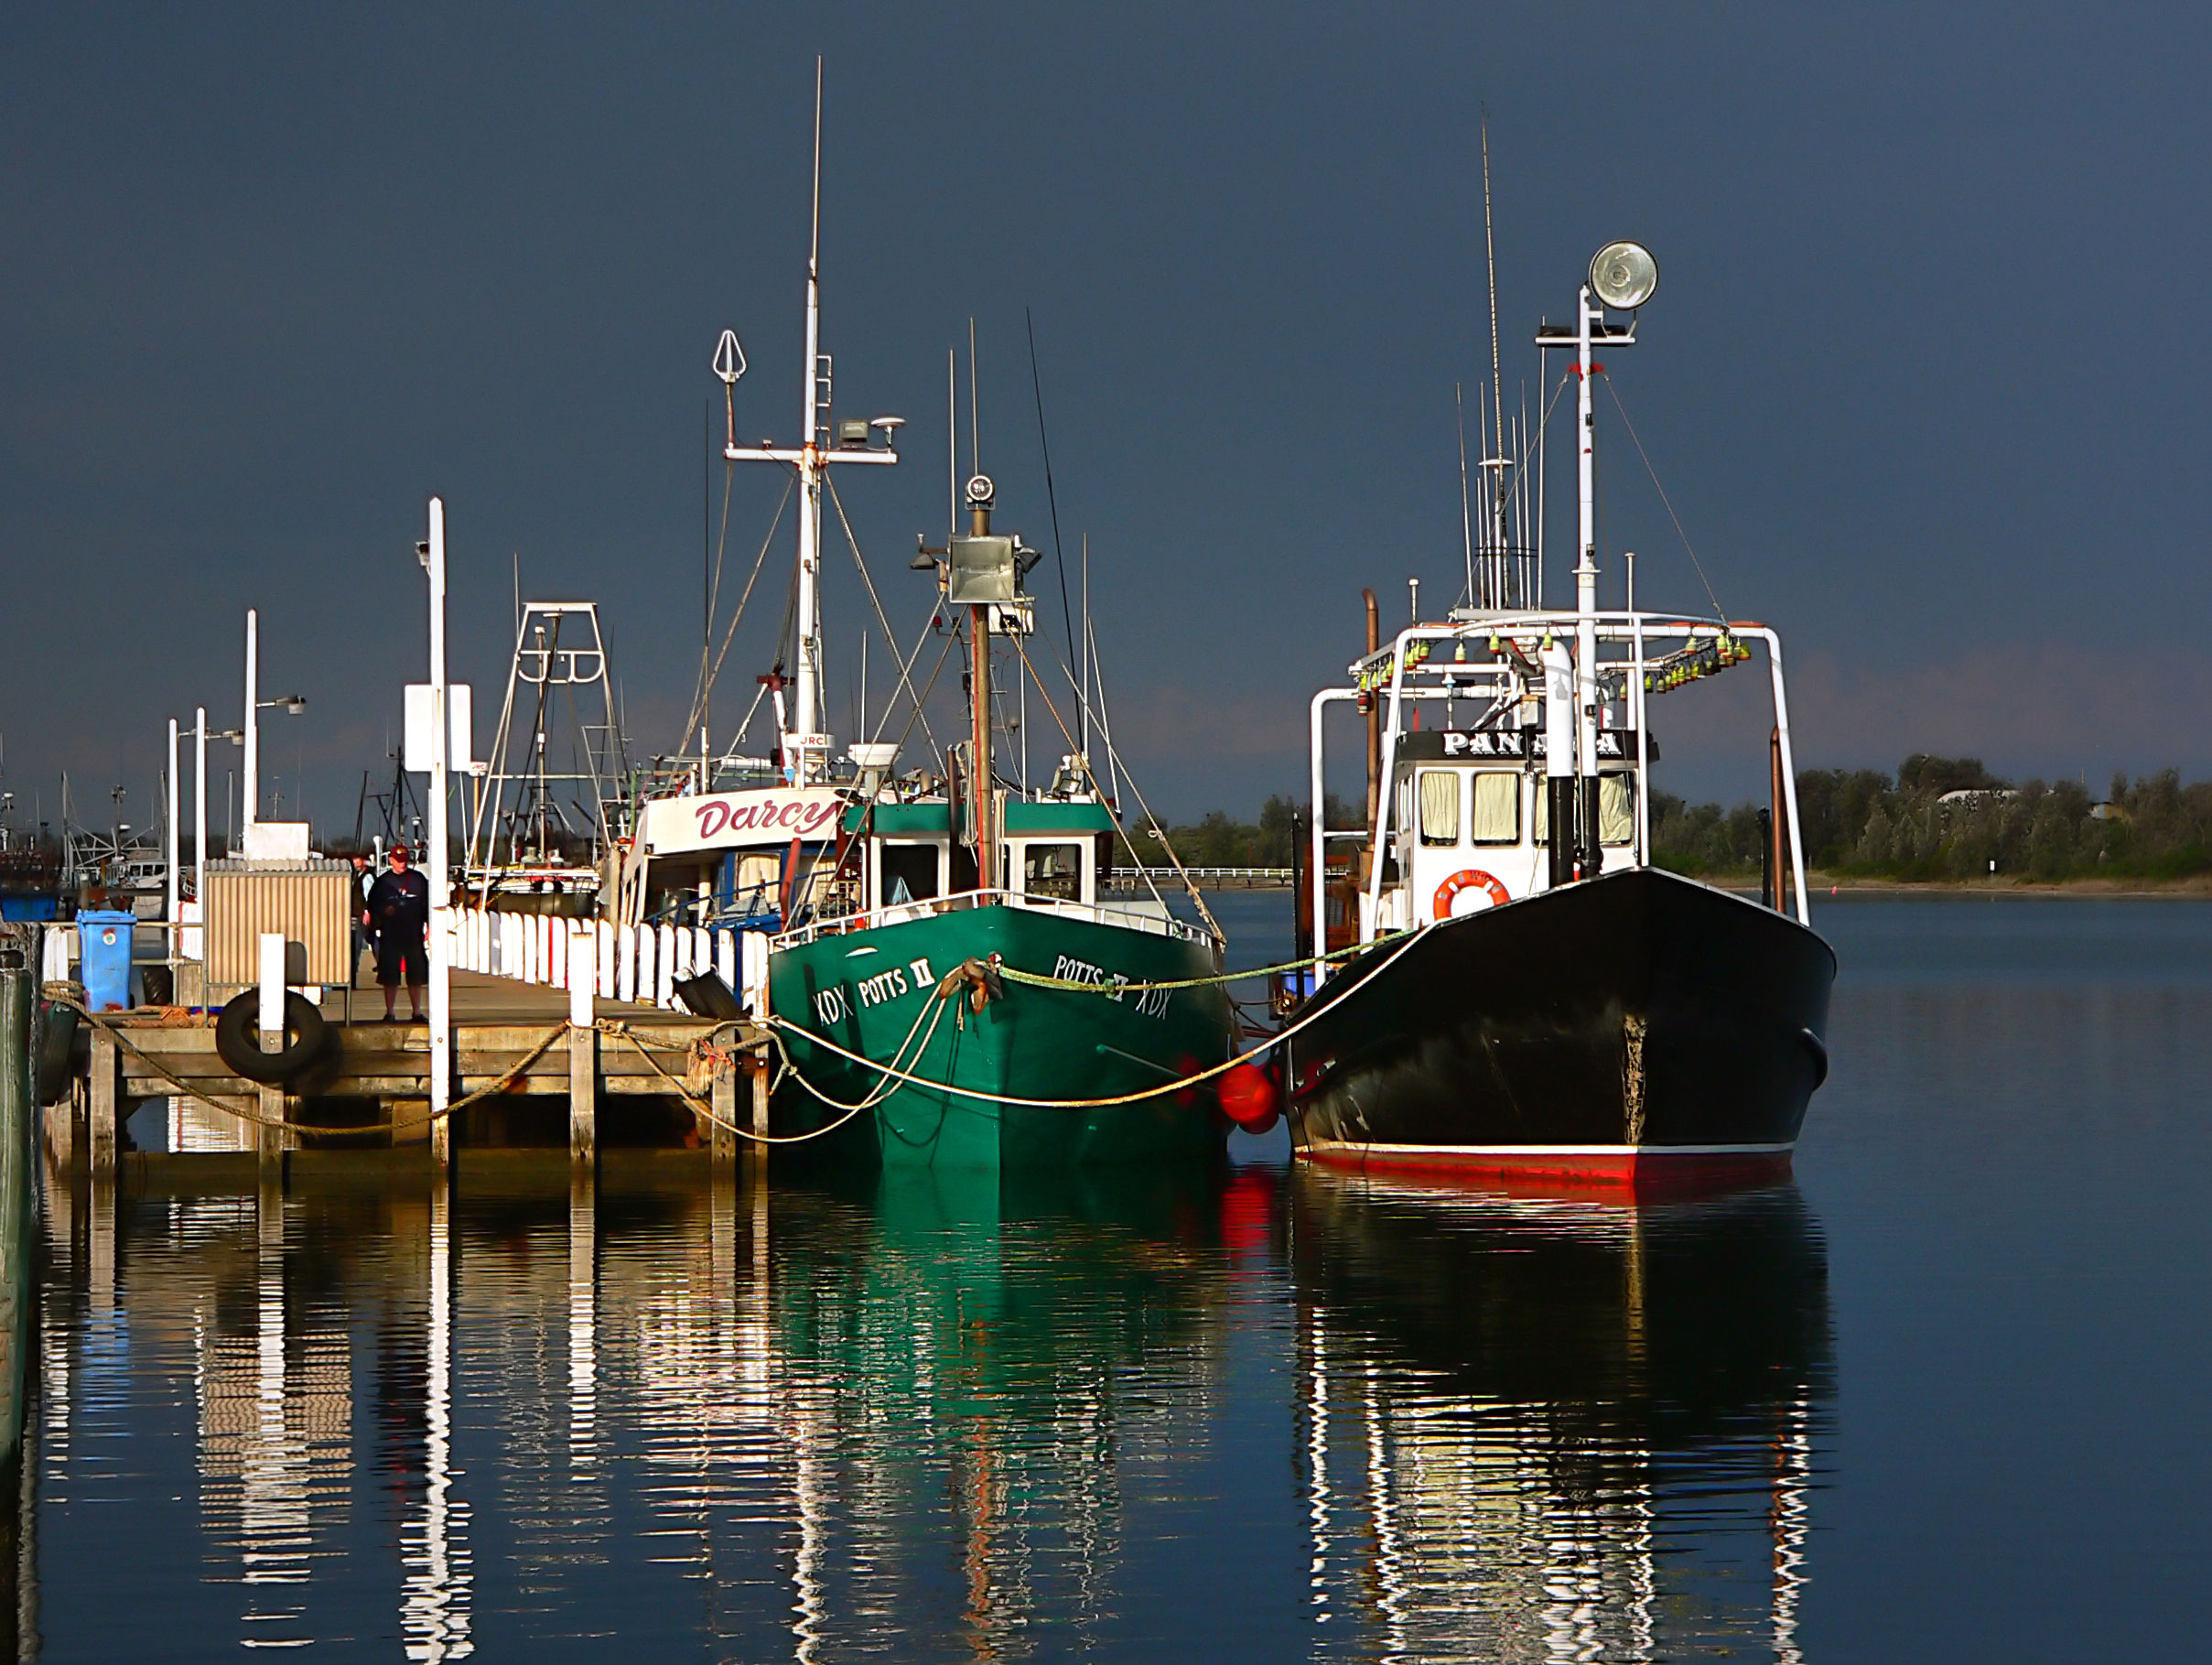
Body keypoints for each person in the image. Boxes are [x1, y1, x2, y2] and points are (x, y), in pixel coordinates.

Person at [366, 843, 430, 1022]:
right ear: (391, 860)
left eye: (405, 861)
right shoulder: (383, 882)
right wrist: (382, 913)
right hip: (391, 934)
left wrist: (429, 928)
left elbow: (427, 905)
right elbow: (372, 905)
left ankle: (416, 1012)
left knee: (416, 975)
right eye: (399, 861)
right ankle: (390, 1012)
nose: (402, 864)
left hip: (413, 933)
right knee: (389, 975)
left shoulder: (418, 880)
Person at [350, 853, 376, 988]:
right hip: (359, 914)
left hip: (363, 915)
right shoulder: (357, 876)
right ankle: (383, 965)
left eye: (358, 862)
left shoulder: (367, 877)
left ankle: (352, 975)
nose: (356, 865)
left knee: (357, 944)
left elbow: (370, 895)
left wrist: (367, 912)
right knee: (371, 939)